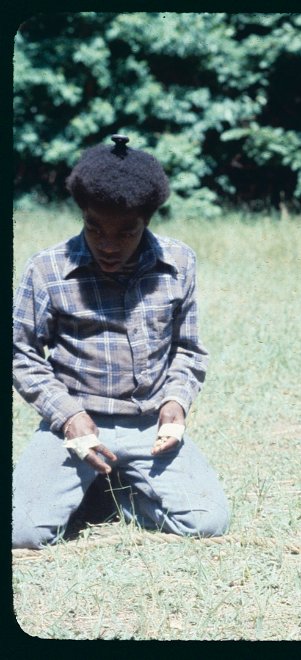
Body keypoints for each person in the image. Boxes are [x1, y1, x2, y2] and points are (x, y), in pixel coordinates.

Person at [12, 135, 230, 549]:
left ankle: (114, 493)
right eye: (95, 228)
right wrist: (69, 417)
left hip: (149, 426)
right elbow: (20, 353)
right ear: (82, 214)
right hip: (74, 426)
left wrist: (175, 405)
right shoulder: (47, 269)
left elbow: (189, 348)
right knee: (21, 531)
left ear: (146, 221)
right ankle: (87, 486)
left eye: (126, 232)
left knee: (208, 522)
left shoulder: (178, 262)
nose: (108, 245)